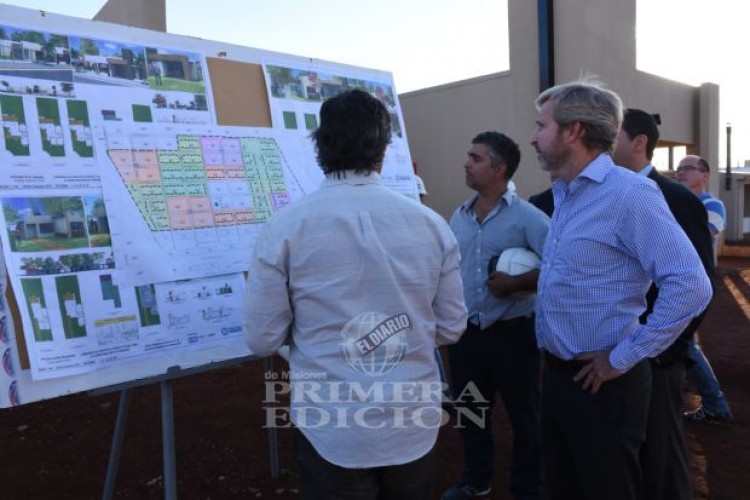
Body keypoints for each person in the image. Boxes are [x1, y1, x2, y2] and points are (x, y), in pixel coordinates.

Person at [243, 89, 468, 499]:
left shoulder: (285, 228)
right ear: (382, 150)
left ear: (320, 146)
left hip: (331, 424)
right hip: (411, 421)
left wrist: (317, 345)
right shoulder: (431, 224)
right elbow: (452, 326)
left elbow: (262, 338)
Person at [530, 80, 712, 500]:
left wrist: (625, 355)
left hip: (605, 387)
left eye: (541, 126)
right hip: (558, 376)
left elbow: (691, 284)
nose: (534, 137)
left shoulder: (629, 193)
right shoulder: (567, 193)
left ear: (573, 130)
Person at [613, 108, 714, 500]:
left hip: (657, 357)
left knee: (661, 456)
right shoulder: (606, 195)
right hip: (613, 354)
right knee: (623, 456)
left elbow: (699, 285)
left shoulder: (677, 199)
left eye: (614, 135)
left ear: (639, 142)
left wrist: (665, 350)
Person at [443, 131, 549, 500]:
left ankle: (526, 489)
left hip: (514, 337)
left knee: (525, 417)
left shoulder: (529, 218)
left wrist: (516, 282)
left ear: (499, 168)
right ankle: (476, 481)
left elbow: (560, 267)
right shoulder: (458, 216)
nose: (466, 163)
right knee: (471, 413)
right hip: (467, 336)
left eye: (476, 158)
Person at [676, 154, 734, 423]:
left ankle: (714, 403)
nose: (680, 172)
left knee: (684, 341)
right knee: (681, 338)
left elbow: (706, 231)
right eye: (678, 169)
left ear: (704, 176)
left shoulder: (712, 204)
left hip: (693, 282)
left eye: (688, 168)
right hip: (675, 281)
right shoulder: (674, 202)